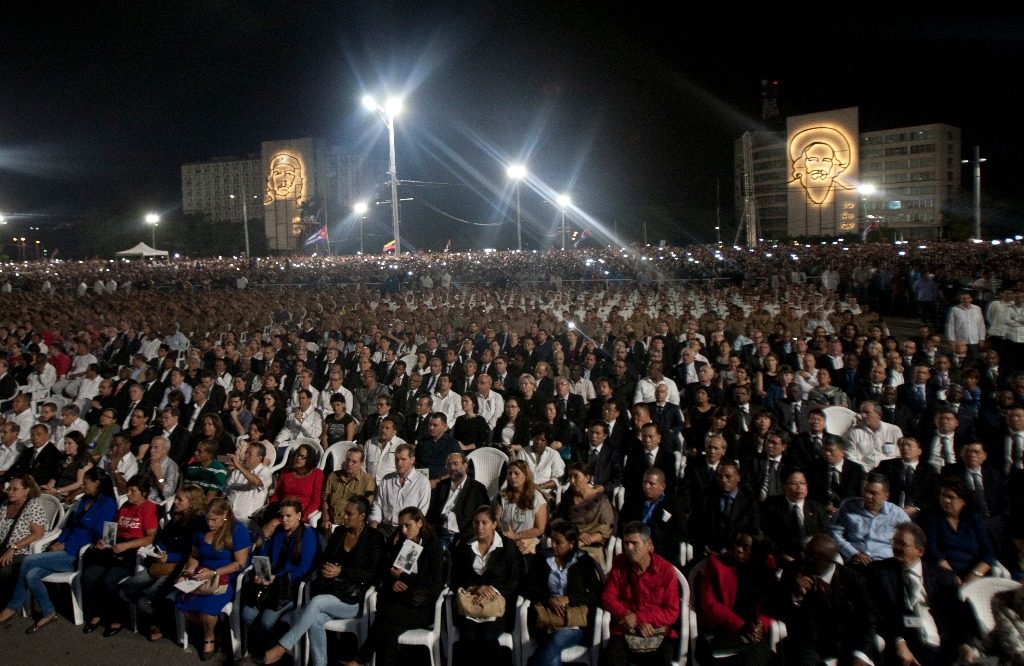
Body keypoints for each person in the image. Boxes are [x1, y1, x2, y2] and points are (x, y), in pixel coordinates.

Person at [261, 497, 385, 666]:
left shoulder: (374, 538)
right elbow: (326, 559)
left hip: (356, 599)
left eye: (350, 514)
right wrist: (328, 569)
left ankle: (282, 647)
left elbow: (373, 574)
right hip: (333, 591)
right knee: (316, 619)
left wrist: (342, 571)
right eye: (344, 513)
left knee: (316, 602)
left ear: (363, 516)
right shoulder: (340, 533)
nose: (344, 517)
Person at [0, 468, 116, 632]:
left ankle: (12, 606)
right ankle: (48, 612)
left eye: (86, 481)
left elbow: (97, 535)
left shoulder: (107, 504)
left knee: (27, 561)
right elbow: (70, 526)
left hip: (78, 554)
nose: (83, 484)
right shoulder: (84, 500)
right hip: (65, 548)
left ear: (97, 483)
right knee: (31, 574)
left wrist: (66, 546)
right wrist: (58, 542)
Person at [868, 522, 978, 666]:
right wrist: (898, 641)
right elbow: (876, 613)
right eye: (894, 542)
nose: (896, 547)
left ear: (920, 551)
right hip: (902, 638)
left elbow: (963, 616)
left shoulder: (944, 577)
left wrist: (965, 646)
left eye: (902, 544)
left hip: (940, 643)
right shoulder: (880, 573)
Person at [347, 506, 445, 666]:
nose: (404, 530)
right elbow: (388, 571)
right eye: (401, 526)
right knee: (389, 629)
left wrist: (404, 576)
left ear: (420, 523)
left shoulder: (433, 546)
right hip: (400, 601)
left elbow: (433, 581)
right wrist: (394, 582)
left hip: (421, 605)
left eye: (408, 525)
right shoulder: (402, 544)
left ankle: (360, 659)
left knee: (386, 615)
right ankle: (361, 660)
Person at [120, 484, 206, 642]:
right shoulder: (176, 518)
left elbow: (192, 553)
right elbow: (162, 538)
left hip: (178, 567)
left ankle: (160, 623)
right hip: (161, 563)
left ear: (192, 502)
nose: (175, 502)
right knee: (126, 588)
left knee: (145, 599)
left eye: (180, 499)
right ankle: (157, 617)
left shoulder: (198, 525)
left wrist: (170, 557)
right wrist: (161, 550)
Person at [776, 534, 879, 665]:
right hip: (808, 643)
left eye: (810, 557)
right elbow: (780, 610)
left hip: (846, 642)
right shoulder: (793, 571)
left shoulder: (852, 579)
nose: (804, 560)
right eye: (804, 555)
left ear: (828, 560)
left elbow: (868, 618)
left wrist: (861, 654)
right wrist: (797, 594)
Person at [80, 474, 158, 636]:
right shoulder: (124, 506)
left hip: (132, 550)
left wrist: (126, 546)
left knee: (110, 578)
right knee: (89, 574)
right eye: (128, 490)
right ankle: (97, 612)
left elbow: (150, 537)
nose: (128, 494)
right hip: (115, 546)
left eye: (133, 490)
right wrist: (104, 540)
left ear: (143, 492)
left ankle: (118, 617)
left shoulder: (148, 508)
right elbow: (113, 528)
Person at [174, 497, 251, 661]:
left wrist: (215, 573)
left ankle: (209, 638)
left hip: (225, 577)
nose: (210, 523)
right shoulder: (202, 528)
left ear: (225, 515)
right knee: (184, 601)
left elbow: (240, 563)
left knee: (207, 612)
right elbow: (194, 555)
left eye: (214, 520)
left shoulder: (237, 531)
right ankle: (214, 630)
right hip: (203, 573)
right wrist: (189, 570)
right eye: (208, 518)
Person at [242, 498, 317, 659]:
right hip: (269, 582)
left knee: (266, 621)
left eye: (289, 516)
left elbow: (303, 568)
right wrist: (261, 573)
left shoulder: (308, 536)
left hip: (287, 587)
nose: (284, 520)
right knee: (247, 613)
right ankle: (276, 647)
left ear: (299, 515)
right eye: (282, 516)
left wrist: (276, 578)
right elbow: (263, 556)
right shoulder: (279, 533)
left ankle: (274, 651)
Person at [523, 519, 604, 666]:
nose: (553, 545)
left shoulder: (583, 561)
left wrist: (569, 598)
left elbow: (595, 594)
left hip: (574, 622)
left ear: (571, 544)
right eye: (552, 540)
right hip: (546, 620)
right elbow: (528, 588)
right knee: (553, 655)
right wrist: (549, 599)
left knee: (556, 641)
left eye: (558, 542)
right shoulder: (542, 559)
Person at [450, 505, 523, 666]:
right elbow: (455, 577)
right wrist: (475, 588)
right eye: (476, 523)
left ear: (494, 524)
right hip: (471, 604)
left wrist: (493, 590)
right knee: (468, 637)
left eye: (484, 522)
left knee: (488, 637)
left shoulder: (508, 547)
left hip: (497, 606)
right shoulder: (465, 546)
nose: (479, 527)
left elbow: (515, 579)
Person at [601, 520, 680, 666]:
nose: (629, 548)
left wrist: (639, 618)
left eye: (634, 543)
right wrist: (627, 616)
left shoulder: (665, 570)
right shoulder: (620, 563)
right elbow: (608, 597)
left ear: (649, 545)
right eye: (626, 543)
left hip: (658, 631)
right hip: (626, 628)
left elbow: (672, 612)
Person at [696, 531, 777, 666]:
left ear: (756, 550)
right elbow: (709, 603)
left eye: (745, 548)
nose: (738, 550)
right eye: (736, 545)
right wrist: (741, 625)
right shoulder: (717, 564)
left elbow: (772, 603)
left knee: (757, 658)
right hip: (722, 627)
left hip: (752, 630)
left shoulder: (766, 565)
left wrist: (761, 623)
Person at [918, 476, 996, 583]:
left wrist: (975, 575)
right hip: (945, 572)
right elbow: (933, 552)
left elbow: (988, 552)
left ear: (962, 501)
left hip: (975, 573)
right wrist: (952, 576)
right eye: (943, 495)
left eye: (950, 497)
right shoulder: (932, 518)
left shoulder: (974, 519)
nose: (945, 500)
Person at [828, 472, 910, 566]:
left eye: (873, 493)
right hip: (853, 561)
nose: (867, 496)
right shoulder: (848, 506)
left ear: (886, 496)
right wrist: (853, 553)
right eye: (865, 491)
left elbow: (909, 540)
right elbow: (834, 533)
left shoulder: (898, 515)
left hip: (884, 564)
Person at [0, 475, 52, 611]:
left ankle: (9, 605)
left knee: (3, 570)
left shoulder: (32, 506)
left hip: (22, 551)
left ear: (26, 490)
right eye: (9, 488)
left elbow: (38, 533)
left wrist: (13, 548)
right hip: (2, 547)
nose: (10, 492)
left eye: (15, 489)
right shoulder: (5, 505)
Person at [618, 468, 687, 568]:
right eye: (644, 482)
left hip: (663, 551)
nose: (647, 486)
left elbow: (681, 531)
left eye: (651, 483)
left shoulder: (672, 504)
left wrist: (653, 545)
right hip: (634, 547)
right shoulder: (633, 501)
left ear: (662, 486)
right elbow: (623, 524)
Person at [555, 462, 614, 569]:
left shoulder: (600, 500)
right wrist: (577, 535)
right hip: (570, 540)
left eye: (576, 476)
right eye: (570, 477)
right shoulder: (568, 498)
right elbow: (559, 521)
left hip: (592, 544)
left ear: (587, 478)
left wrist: (589, 539)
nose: (572, 481)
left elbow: (607, 527)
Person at [428, 451, 490, 548]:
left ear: (465, 465)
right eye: (449, 465)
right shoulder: (441, 486)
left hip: (464, 536)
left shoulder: (477, 488)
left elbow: (484, 515)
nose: (452, 468)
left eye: (456, 464)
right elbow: (432, 512)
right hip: (440, 533)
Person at [368, 442, 430, 538]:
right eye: (396, 459)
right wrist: (374, 523)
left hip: (408, 530)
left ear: (412, 460)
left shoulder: (422, 482)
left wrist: (402, 530)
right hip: (385, 527)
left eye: (403, 459)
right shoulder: (387, 479)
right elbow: (378, 505)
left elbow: (421, 513)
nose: (399, 463)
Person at [262, 442, 324, 537]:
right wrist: (272, 505)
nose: (298, 458)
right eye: (297, 455)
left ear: (309, 459)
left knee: (273, 524)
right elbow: (277, 494)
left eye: (302, 456)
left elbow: (315, 500)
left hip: (300, 512)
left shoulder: (317, 474)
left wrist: (304, 516)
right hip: (283, 509)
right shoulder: (286, 472)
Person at [497, 459, 549, 558]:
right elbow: (497, 517)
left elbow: (540, 528)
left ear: (526, 476)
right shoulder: (503, 496)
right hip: (506, 539)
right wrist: (508, 532)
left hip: (528, 541)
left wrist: (517, 537)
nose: (512, 476)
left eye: (516, 473)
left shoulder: (537, 498)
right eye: (510, 473)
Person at [319, 446, 377, 534]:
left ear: (361, 463)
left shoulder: (368, 481)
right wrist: (325, 519)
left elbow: (365, 508)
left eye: (354, 462)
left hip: (350, 526)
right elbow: (325, 500)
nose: (349, 464)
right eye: (348, 460)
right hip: (330, 522)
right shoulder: (333, 476)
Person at [43, 430, 93, 502]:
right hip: (56, 490)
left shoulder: (83, 460)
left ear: (78, 444)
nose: (66, 446)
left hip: (68, 493)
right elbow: (55, 477)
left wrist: (58, 490)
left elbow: (79, 482)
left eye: (69, 443)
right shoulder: (63, 458)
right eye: (65, 443)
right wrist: (48, 488)